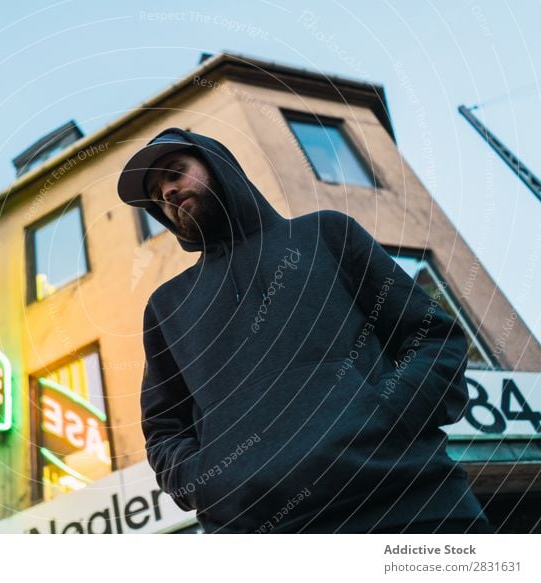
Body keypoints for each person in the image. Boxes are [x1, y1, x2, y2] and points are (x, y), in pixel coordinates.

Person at [116, 127, 495, 534]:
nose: (168, 193)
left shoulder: (325, 234)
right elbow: (163, 428)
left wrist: (390, 415)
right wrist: (208, 481)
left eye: (176, 173)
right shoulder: (167, 306)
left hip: (409, 502)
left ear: (218, 166)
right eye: (156, 195)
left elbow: (430, 335)